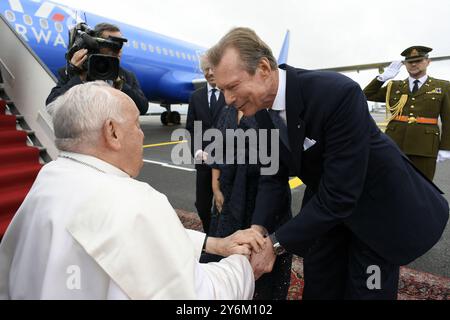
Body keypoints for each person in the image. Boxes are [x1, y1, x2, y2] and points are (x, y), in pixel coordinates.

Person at [206, 27, 449, 300]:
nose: (227, 100)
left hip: (376, 210)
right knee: (320, 284)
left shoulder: (336, 93)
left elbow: (341, 193)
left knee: (367, 290)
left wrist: (274, 244)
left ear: (263, 68)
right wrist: (258, 228)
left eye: (232, 87)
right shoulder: (260, 114)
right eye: (222, 90)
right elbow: (272, 178)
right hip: (325, 212)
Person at [0, 82, 266, 300]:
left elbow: (136, 236)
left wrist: (215, 244)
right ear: (112, 133)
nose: (141, 135)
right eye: (137, 124)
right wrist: (242, 266)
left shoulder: (51, 176)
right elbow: (198, 297)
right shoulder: (136, 202)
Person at [208, 107, 292, 300]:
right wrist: (215, 186)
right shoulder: (226, 112)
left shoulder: (269, 111)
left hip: (265, 192)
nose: (228, 96)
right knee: (227, 251)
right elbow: (216, 149)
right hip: (231, 191)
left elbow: (280, 165)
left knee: (262, 261)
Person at [363, 46, 450, 180]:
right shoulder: (394, 86)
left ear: (428, 62)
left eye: (419, 60)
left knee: (422, 186)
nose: (414, 64)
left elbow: (448, 119)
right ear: (405, 64)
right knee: (393, 184)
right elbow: (365, 95)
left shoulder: (442, 87)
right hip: (395, 144)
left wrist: (446, 147)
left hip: (425, 147)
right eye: (410, 62)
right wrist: (382, 78)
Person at [46, 23, 149, 115]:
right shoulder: (71, 72)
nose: (118, 50)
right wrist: (78, 77)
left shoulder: (126, 76)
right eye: (112, 44)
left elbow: (142, 108)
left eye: (120, 45)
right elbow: (51, 106)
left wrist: (119, 83)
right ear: (95, 45)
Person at [186, 56, 227, 234]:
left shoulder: (229, 94)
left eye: (212, 68)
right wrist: (196, 150)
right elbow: (191, 128)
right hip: (203, 160)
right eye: (205, 69)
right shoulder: (196, 96)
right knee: (202, 204)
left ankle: (224, 234)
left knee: (225, 202)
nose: (209, 73)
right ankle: (210, 235)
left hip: (225, 160)